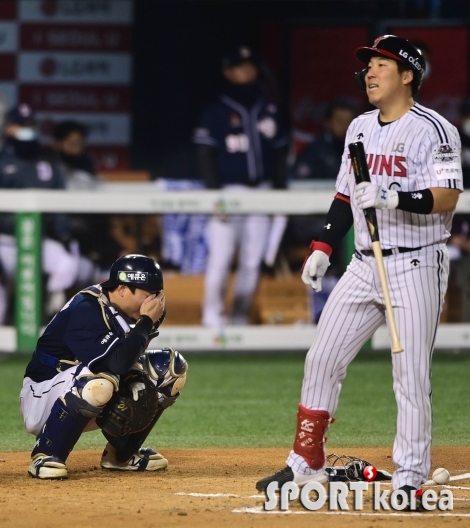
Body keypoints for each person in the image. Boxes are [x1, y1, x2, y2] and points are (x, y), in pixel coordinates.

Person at [256, 35, 462, 510]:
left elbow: (448, 196)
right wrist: (323, 247)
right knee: (322, 359)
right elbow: (346, 196)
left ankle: (410, 476)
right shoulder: (359, 128)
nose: (369, 73)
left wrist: (395, 197)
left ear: (407, 74)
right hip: (363, 264)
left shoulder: (437, 129)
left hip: (415, 262)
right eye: (367, 66)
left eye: (380, 66)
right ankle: (305, 462)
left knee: (409, 375)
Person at [20, 253, 188, 479]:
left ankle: (122, 455)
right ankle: (46, 455)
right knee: (100, 381)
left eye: (157, 294)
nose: (154, 302)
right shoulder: (87, 308)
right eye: (148, 294)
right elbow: (116, 363)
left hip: (81, 383)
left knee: (168, 368)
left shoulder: (142, 311)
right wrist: (146, 322)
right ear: (121, 289)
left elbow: (128, 356)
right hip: (43, 393)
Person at [192, 44, 289, 327]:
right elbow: (204, 154)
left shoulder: (269, 109)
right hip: (229, 192)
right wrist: (213, 195)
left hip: (263, 191)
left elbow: (281, 154)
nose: (245, 72)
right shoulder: (216, 110)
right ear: (228, 72)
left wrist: (281, 197)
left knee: (252, 261)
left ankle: (238, 317)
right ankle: (212, 318)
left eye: (249, 66)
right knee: (220, 259)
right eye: (238, 67)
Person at [0, 104, 80, 321]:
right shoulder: (2, 160)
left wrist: (62, 234)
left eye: (30, 124)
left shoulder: (46, 161)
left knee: (67, 263)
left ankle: (51, 315)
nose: (27, 129)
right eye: (21, 124)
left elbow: (60, 201)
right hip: (4, 241)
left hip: (37, 240)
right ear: (9, 127)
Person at [288, 100, 356, 322]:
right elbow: (301, 193)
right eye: (339, 121)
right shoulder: (316, 151)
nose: (344, 126)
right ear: (327, 123)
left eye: (348, 122)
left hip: (350, 221)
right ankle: (319, 309)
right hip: (316, 220)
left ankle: (343, 310)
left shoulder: (359, 149)